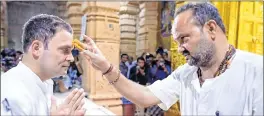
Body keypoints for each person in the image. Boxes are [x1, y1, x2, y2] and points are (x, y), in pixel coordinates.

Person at [79, 2, 262, 116]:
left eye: (184, 39)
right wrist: (106, 68)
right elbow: (145, 97)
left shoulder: (256, 72)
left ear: (211, 29)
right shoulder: (186, 74)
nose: (180, 49)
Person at [1, 14, 86, 115]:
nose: (71, 58)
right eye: (65, 50)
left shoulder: (45, 82)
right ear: (37, 49)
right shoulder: (12, 94)